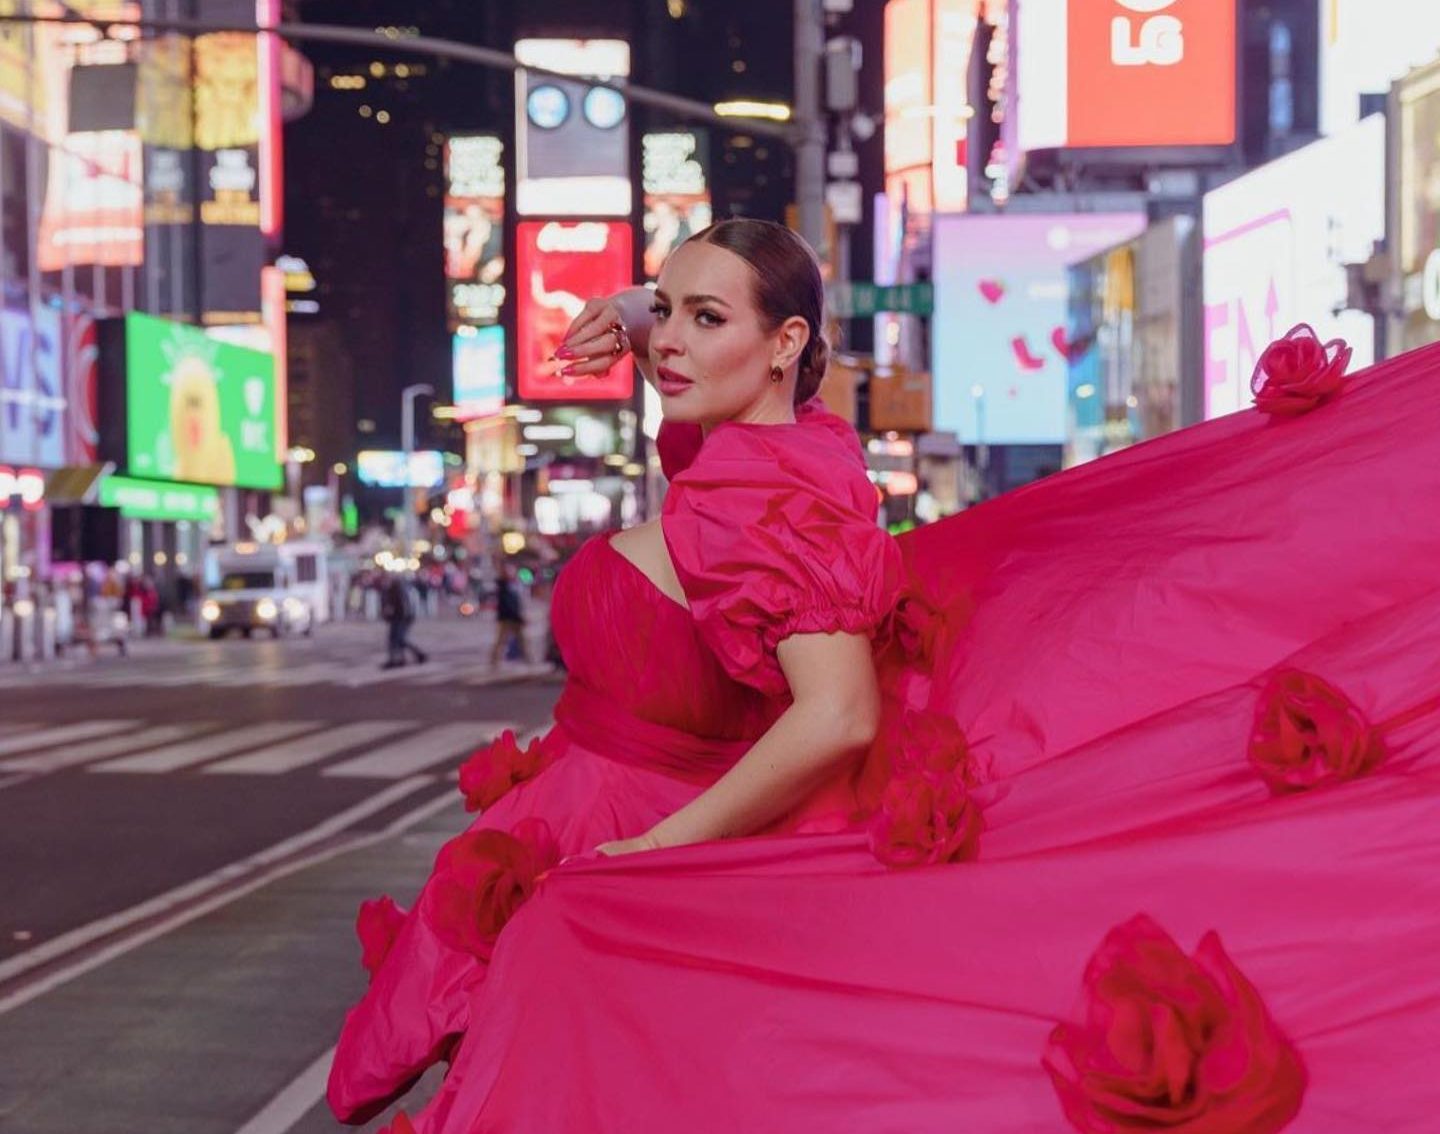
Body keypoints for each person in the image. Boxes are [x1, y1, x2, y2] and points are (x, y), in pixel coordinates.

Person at [329, 221, 1440, 1133]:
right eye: (669, 310)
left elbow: (841, 714)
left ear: (783, 345)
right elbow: (729, 417)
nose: (669, 341)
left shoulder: (751, 503)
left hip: (636, 839)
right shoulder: (780, 447)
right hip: (608, 821)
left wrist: (653, 855)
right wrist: (642, 313)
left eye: (701, 319)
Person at [379, 573, 426, 669]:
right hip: (403, 617)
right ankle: (402, 658)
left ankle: (397, 659)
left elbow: (397, 605)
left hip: (400, 617)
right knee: (398, 640)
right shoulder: (401, 588)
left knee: (396, 639)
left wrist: (390, 614)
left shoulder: (395, 589)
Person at [488, 562, 528, 667]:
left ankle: (528, 660)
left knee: (521, 640)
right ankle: (494, 661)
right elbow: (508, 604)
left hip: (513, 617)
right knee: (501, 640)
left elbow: (515, 603)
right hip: (507, 617)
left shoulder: (512, 585)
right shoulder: (504, 586)